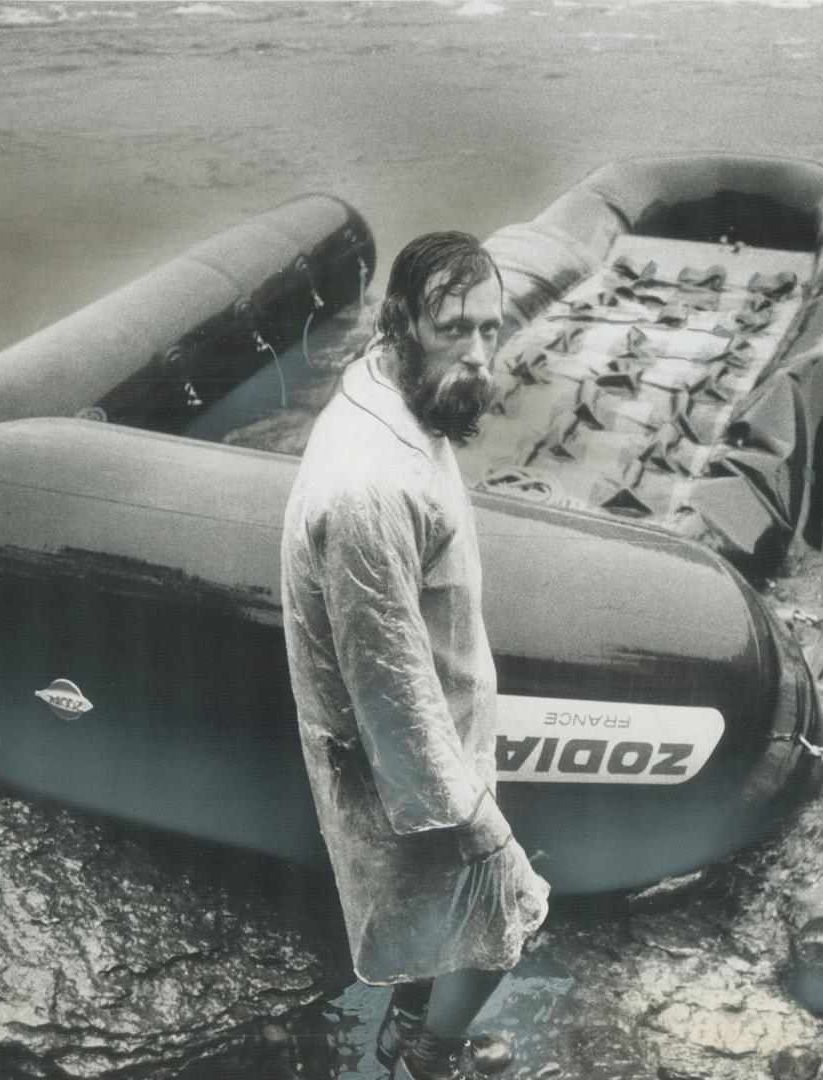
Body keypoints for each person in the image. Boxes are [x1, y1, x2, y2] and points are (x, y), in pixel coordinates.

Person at [280, 232, 550, 1080]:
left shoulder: (394, 390)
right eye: (454, 330)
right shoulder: (369, 489)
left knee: (447, 912)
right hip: (404, 762)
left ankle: (411, 1022)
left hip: (443, 714)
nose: (477, 354)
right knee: (508, 909)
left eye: (491, 331)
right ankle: (429, 1058)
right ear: (401, 324)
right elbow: (387, 686)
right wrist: (476, 822)